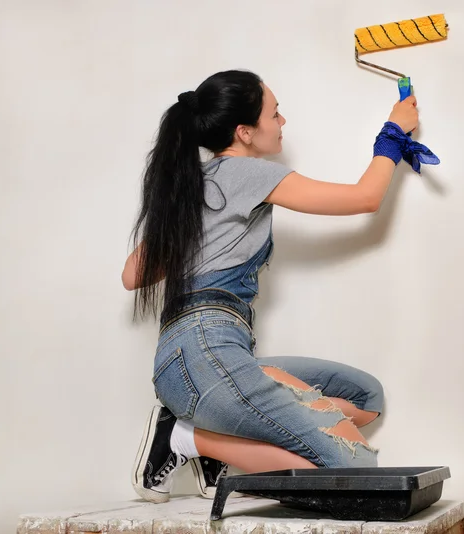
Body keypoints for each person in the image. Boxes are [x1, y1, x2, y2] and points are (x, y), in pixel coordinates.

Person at [122, 69, 419, 504]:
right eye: (275, 113)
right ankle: (185, 437)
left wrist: (187, 225)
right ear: (244, 132)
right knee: (357, 474)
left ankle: (206, 432)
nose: (283, 122)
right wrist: (393, 131)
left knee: (365, 397)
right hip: (206, 351)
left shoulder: (193, 185)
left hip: (195, 355)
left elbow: (133, 276)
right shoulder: (246, 173)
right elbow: (364, 198)